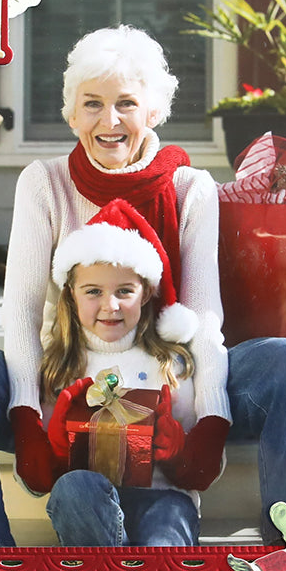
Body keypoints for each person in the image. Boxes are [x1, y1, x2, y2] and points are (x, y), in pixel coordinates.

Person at [0, 24, 286, 547]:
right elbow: (20, 315)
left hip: (170, 386)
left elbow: (205, 319)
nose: (109, 121)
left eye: (126, 104)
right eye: (92, 104)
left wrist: (210, 422)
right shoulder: (43, 182)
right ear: (72, 114)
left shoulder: (190, 188)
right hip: (62, 376)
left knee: (284, 361)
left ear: (154, 111)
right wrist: (26, 415)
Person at [33, 198, 202, 546]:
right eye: (93, 291)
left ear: (146, 294)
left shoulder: (170, 365)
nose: (110, 306)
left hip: (163, 500)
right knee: (74, 488)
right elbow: (45, 475)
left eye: (124, 291)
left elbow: (196, 471)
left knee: (166, 532)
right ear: (71, 295)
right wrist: (59, 441)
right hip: (91, 503)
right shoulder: (58, 369)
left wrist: (174, 446)